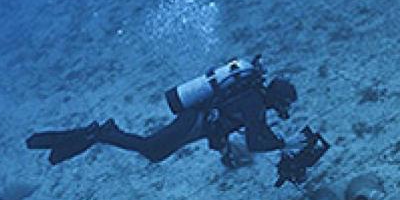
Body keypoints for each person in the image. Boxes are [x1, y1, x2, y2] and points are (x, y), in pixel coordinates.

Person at [26, 55, 328, 181]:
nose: (281, 111)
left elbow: (249, 134)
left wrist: (274, 145)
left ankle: (107, 132)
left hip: (199, 124)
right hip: (193, 121)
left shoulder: (254, 101)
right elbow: (254, 140)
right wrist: (285, 144)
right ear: (276, 99)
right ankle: (100, 133)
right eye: (283, 105)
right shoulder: (254, 103)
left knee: (154, 153)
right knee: (151, 149)